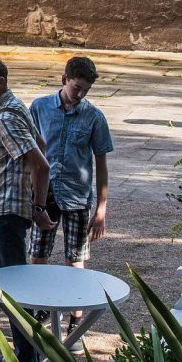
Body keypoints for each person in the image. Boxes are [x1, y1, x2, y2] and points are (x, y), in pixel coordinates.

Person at [0, 56, 58, 362]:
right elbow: (42, 145)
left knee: (12, 289)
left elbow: (41, 163)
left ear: (0, 82)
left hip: (6, 213)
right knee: (14, 285)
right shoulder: (15, 108)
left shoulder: (7, 118)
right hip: (6, 208)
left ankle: (26, 360)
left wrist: (37, 206)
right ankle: (26, 353)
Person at [29, 56, 114, 271]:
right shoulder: (40, 108)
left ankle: (77, 306)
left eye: (86, 90)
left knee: (75, 260)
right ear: (64, 79)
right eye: (76, 87)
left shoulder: (95, 117)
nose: (80, 94)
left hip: (77, 197)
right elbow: (29, 154)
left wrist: (101, 210)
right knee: (38, 254)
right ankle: (39, 303)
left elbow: (101, 165)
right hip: (44, 194)